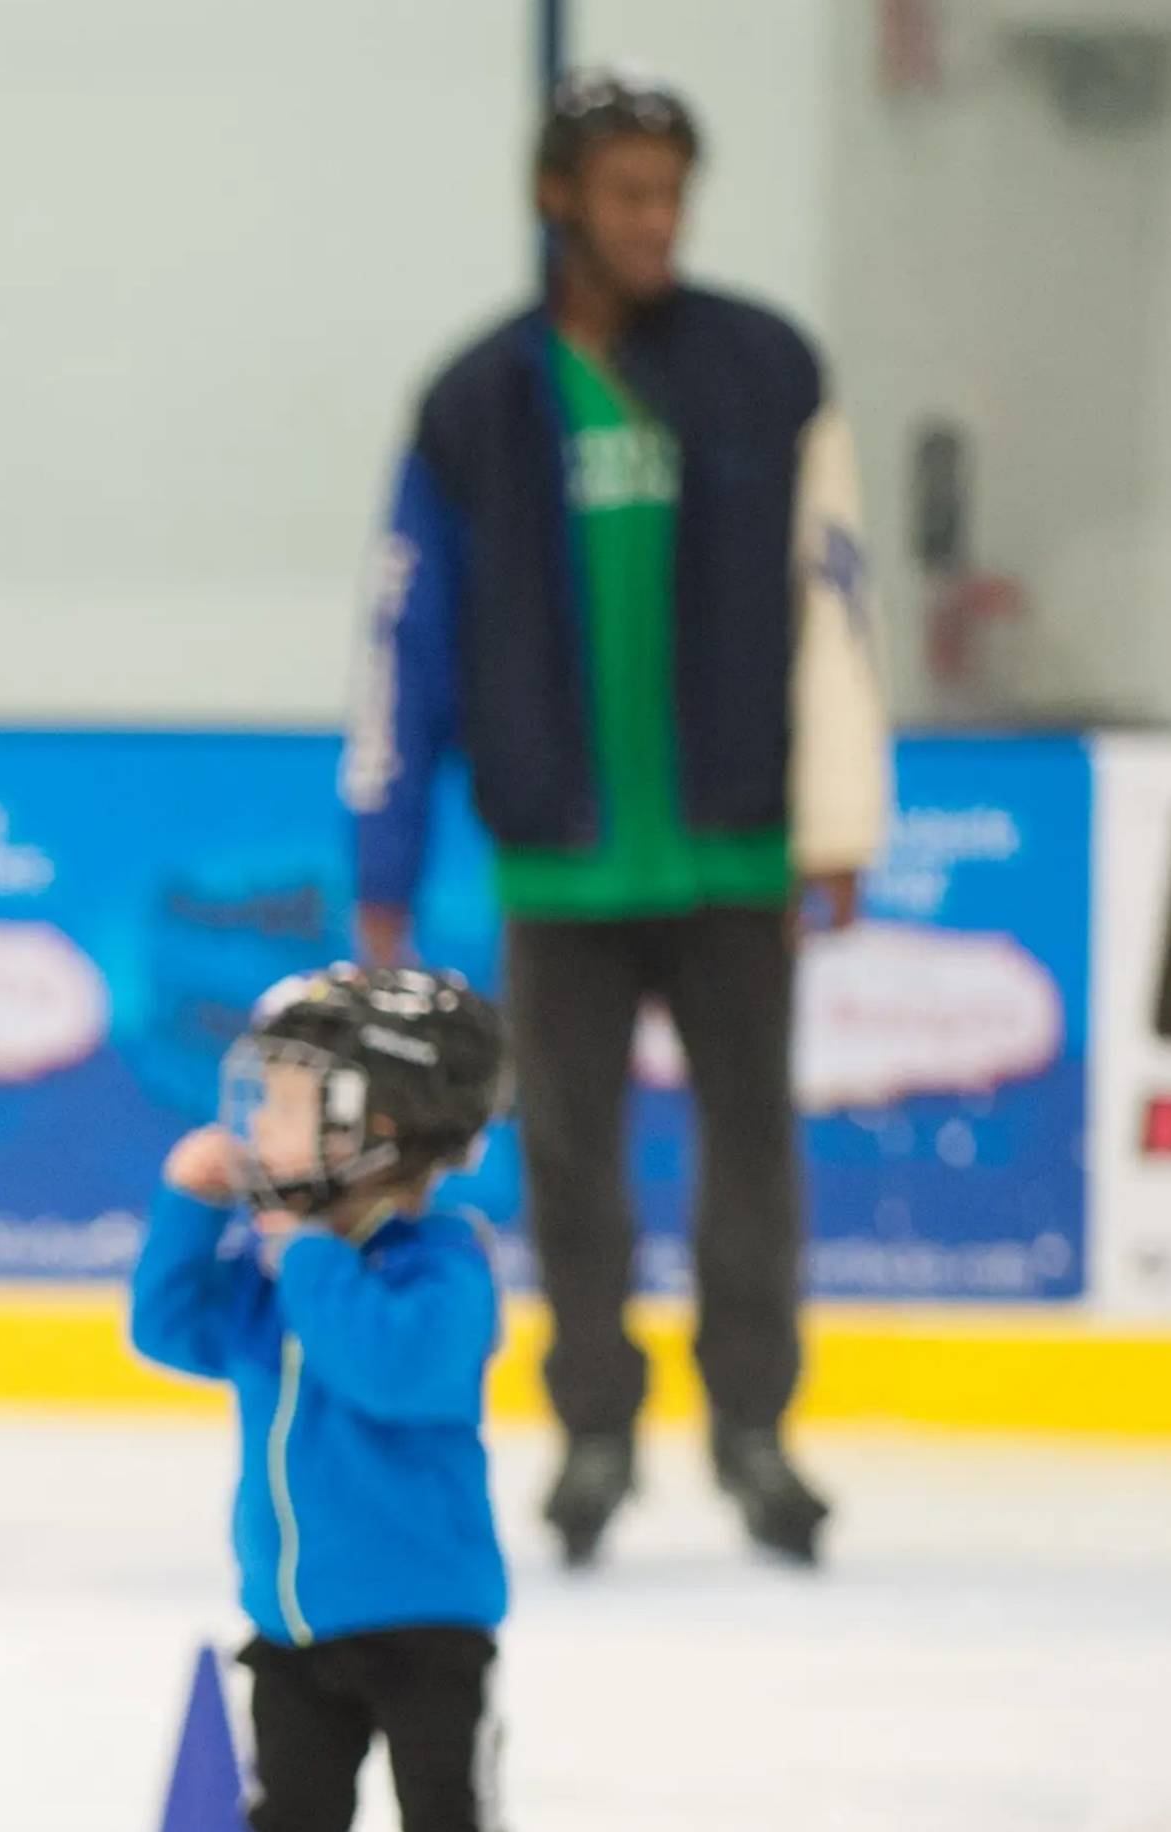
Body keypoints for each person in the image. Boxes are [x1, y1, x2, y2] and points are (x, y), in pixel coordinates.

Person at [345, 66, 890, 1570]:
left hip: (734, 845)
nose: (658, 223)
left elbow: (834, 600)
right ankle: (594, 1428)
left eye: (673, 196)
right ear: (559, 202)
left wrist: (837, 811)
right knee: (571, 1156)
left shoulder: (766, 369)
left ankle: (756, 1433)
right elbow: (408, 636)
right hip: (562, 862)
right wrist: (384, 860)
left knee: (751, 1152)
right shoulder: (478, 402)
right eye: (630, 195)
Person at [128, 964, 548, 1832]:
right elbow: (168, 1326)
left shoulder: (442, 1266)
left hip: (425, 1625)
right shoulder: (273, 1271)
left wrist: (303, 1254)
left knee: (442, 1823)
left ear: (387, 1128)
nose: (259, 1121)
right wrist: (187, 1209)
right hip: (292, 1625)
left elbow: (396, 1371)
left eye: (294, 1099)